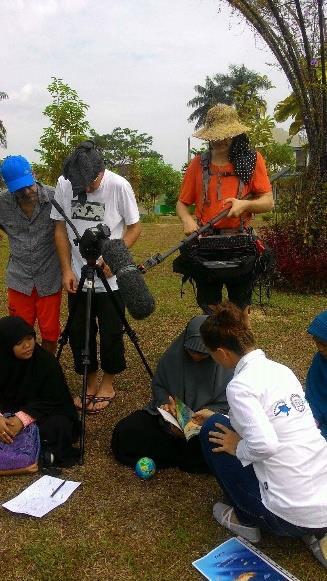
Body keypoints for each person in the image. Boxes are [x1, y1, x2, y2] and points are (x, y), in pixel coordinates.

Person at [196, 302, 327, 570]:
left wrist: (239, 448)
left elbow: (265, 443)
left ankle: (248, 520)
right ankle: (312, 526)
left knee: (212, 433)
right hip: (323, 502)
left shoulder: (239, 385)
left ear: (221, 353)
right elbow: (271, 420)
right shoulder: (281, 370)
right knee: (219, 423)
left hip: (285, 520)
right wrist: (222, 418)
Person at [50, 141, 141, 413]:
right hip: (78, 276)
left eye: (90, 185)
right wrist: (67, 269)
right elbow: (60, 229)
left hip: (109, 278)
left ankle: (108, 382)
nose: (86, 190)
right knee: (79, 332)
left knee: (112, 332)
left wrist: (114, 258)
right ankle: (89, 381)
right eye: (81, 186)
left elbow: (134, 228)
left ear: (101, 172)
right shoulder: (65, 183)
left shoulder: (119, 186)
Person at [176, 104, 274, 323]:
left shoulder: (251, 160)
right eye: (215, 136)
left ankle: (242, 354)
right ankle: (215, 353)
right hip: (205, 245)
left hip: (241, 245)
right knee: (211, 313)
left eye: (225, 135)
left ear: (235, 133)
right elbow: (182, 204)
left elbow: (268, 201)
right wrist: (187, 219)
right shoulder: (197, 164)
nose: (219, 140)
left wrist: (244, 205)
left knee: (241, 313)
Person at [111, 315, 233, 473]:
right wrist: (170, 408)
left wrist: (195, 422)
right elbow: (160, 386)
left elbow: (226, 406)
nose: (195, 357)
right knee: (125, 432)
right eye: (191, 351)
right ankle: (186, 458)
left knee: (219, 447)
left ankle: (180, 455)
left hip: (203, 427)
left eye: (203, 354)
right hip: (168, 424)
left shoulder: (226, 367)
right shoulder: (173, 356)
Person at [0, 155, 62, 354]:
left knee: (50, 333)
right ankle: (22, 376)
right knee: (18, 334)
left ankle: (46, 370)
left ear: (34, 174)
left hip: (49, 278)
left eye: (28, 185)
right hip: (19, 279)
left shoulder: (55, 198)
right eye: (19, 188)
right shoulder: (2, 203)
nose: (27, 192)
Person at [0, 316, 80, 467]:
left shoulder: (46, 362)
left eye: (30, 338)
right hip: (5, 413)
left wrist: (22, 419)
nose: (27, 346)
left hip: (39, 415)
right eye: (19, 343)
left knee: (59, 426)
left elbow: (54, 399)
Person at [306, 310, 327, 439]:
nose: (320, 348)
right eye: (317, 342)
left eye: (324, 344)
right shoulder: (319, 360)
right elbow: (312, 395)